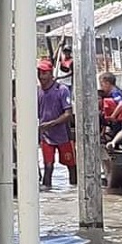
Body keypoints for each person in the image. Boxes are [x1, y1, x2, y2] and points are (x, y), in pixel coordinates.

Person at [37, 58, 77, 187]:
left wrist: (51, 124)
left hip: (63, 136)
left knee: (71, 166)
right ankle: (47, 194)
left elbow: (68, 114)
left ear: (50, 73)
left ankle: (73, 191)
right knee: (48, 167)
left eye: (44, 73)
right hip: (46, 137)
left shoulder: (62, 90)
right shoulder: (37, 91)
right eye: (39, 72)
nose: (41, 76)